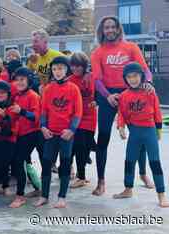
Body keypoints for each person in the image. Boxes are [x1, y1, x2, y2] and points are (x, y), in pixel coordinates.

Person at [91, 16, 155, 196]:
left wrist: (147, 83)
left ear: (118, 29)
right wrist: (107, 95)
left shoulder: (131, 47)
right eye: (106, 28)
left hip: (131, 95)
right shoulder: (97, 52)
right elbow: (96, 80)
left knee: (139, 136)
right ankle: (101, 181)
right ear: (102, 31)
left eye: (113, 27)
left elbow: (145, 71)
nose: (110, 30)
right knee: (102, 139)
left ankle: (142, 174)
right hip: (108, 96)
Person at [113, 62, 169, 208]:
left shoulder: (149, 92)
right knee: (129, 161)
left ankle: (161, 194)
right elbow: (122, 113)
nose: (133, 79)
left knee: (154, 162)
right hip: (134, 133)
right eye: (129, 77)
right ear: (125, 79)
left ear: (141, 76)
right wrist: (121, 127)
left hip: (149, 131)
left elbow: (157, 111)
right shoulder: (124, 95)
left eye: (136, 76)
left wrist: (158, 129)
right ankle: (128, 189)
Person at [34, 56, 82, 209]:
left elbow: (78, 112)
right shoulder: (48, 88)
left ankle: (62, 197)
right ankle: (44, 196)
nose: (57, 72)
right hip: (50, 133)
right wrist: (43, 127)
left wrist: (72, 130)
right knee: (47, 163)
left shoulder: (73, 88)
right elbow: (43, 111)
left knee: (65, 164)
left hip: (66, 134)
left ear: (67, 70)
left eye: (60, 68)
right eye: (54, 69)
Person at [9, 67, 44, 208]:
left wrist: (22, 111)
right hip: (20, 134)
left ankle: (20, 195)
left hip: (33, 133)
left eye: (22, 79)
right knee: (26, 162)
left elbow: (36, 118)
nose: (19, 82)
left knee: (19, 161)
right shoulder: (16, 96)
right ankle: (38, 188)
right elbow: (14, 115)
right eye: (17, 80)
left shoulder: (33, 96)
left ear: (29, 80)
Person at [68, 52, 97, 188]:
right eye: (73, 66)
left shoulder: (91, 77)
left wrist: (96, 101)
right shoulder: (69, 80)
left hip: (90, 116)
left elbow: (99, 93)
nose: (76, 69)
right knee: (79, 146)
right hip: (76, 117)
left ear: (84, 66)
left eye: (79, 66)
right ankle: (80, 176)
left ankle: (82, 176)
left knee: (85, 148)